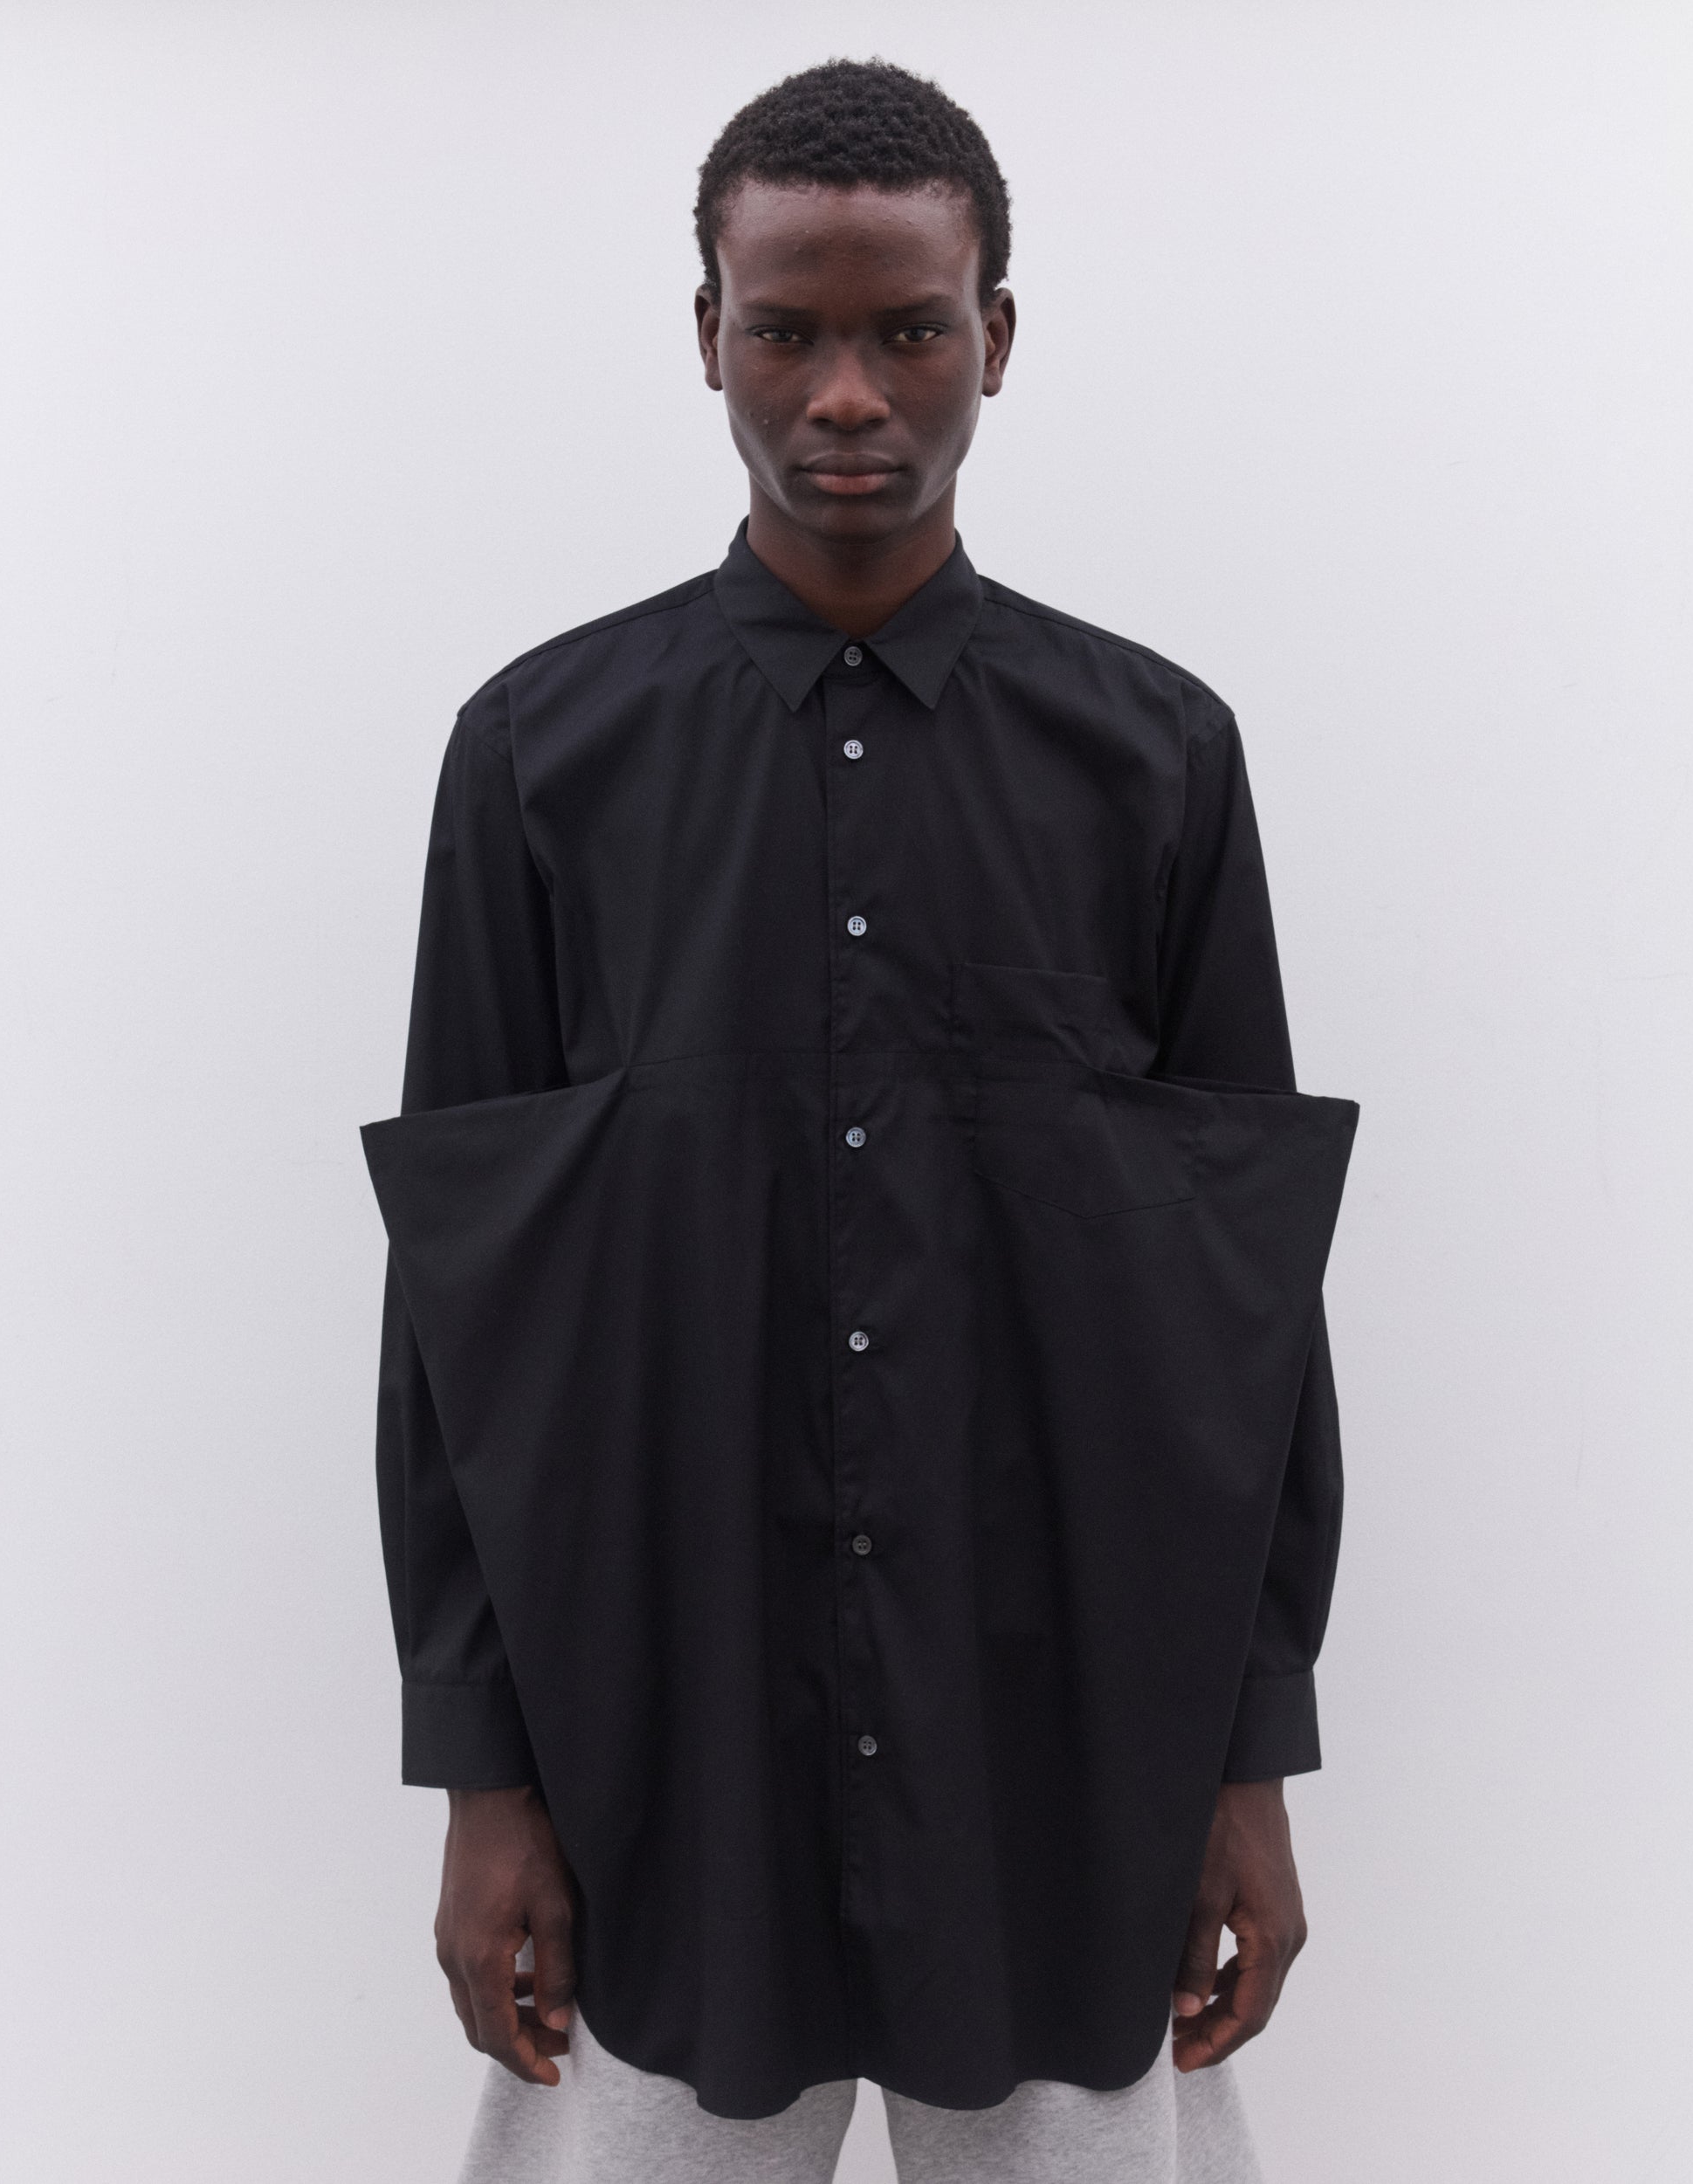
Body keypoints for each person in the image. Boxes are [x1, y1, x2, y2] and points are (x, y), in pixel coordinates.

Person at [362, 58, 1357, 2184]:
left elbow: (1245, 1309)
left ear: (993, 334)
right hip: (658, 1770)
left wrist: (1246, 1757)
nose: (843, 394)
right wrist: (482, 1777)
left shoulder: (1154, 760)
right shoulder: (539, 760)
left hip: (1061, 1772)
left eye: (906, 329)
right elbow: (459, 1310)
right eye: (783, 329)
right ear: (704, 333)